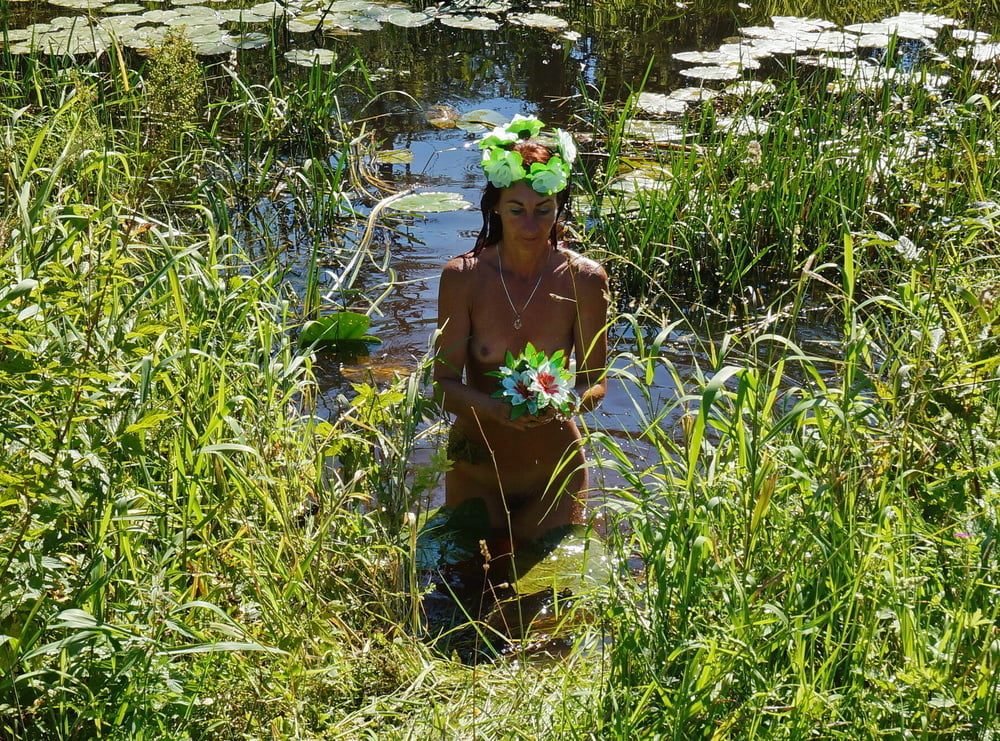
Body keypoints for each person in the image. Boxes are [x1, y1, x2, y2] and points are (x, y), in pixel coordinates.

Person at [433, 115, 609, 566]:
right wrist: (494, 407)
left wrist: (563, 404)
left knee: (550, 608)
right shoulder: (463, 278)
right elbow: (444, 383)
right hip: (476, 469)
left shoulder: (584, 280)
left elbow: (595, 382)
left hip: (553, 469)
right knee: (462, 596)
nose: (531, 225)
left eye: (543, 210)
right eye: (516, 210)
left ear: (559, 208)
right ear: (495, 207)